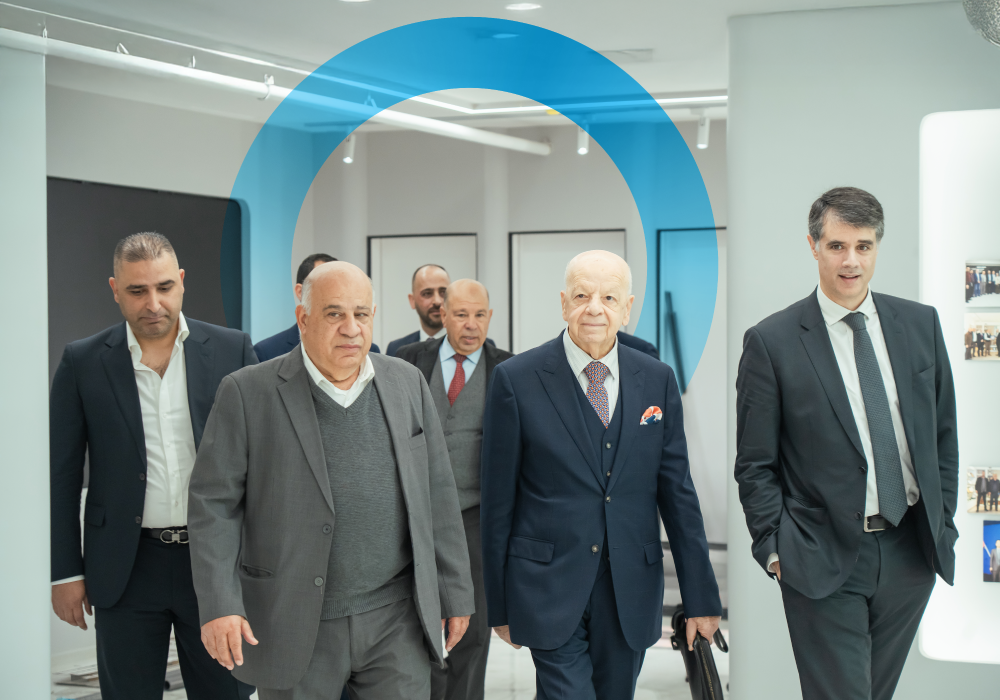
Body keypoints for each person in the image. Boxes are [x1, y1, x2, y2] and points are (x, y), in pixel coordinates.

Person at [188, 261, 475, 699]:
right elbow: (213, 506)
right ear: (303, 319)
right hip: (292, 619)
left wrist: (454, 592)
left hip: (396, 619)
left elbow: (438, 493)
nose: (351, 329)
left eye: (361, 314)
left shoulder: (406, 382)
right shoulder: (247, 392)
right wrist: (220, 604)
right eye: (334, 313)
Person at [735, 187, 959, 700]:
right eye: (837, 246)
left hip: (910, 550)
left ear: (877, 246)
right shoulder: (772, 342)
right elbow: (755, 463)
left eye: (863, 246)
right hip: (821, 555)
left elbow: (942, 435)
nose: (850, 261)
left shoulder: (920, 324)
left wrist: (942, 523)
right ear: (813, 246)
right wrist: (775, 549)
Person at [481, 250, 721, 700]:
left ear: (627, 308)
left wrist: (702, 598)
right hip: (546, 586)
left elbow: (678, 495)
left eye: (609, 297)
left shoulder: (657, 379)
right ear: (563, 303)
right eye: (581, 295)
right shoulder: (516, 379)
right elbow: (498, 501)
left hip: (630, 588)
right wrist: (499, 604)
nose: (594, 308)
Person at [50, 232, 257, 700]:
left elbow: (263, 463)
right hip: (124, 566)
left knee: (226, 695)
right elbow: (61, 476)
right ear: (115, 289)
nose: (153, 303)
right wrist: (65, 573)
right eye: (137, 290)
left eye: (164, 287)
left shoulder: (233, 349)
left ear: (181, 281)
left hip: (216, 563)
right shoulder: (83, 362)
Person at [396, 279, 514, 700]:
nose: (471, 324)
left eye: (480, 315)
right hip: (414, 519)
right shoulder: (406, 359)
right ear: (443, 316)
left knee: (472, 631)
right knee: (414, 627)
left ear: (490, 317)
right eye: (461, 314)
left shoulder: (509, 369)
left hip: (476, 522)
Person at [254, 253, 380, 361]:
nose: (351, 330)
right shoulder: (267, 351)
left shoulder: (371, 351)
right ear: (300, 292)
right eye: (334, 314)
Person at [385, 264, 451, 356]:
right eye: (427, 293)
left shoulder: (465, 346)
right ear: (412, 300)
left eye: (443, 292)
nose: (437, 301)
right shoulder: (396, 350)